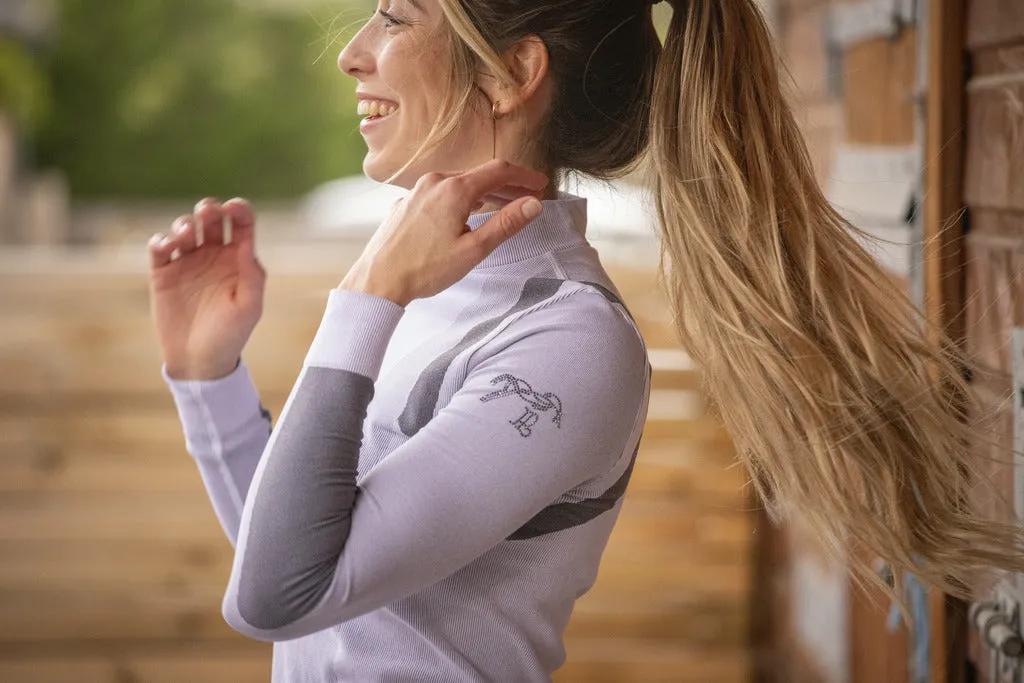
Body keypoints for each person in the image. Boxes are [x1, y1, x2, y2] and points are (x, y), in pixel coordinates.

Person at [147, 0, 1024, 680]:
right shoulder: (426, 273)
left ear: (510, 74)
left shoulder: (569, 338)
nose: (353, 49)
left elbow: (281, 592)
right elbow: (296, 560)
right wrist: (207, 374)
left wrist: (366, 295)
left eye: (397, 12)